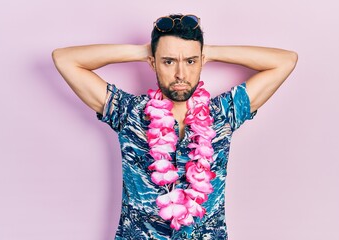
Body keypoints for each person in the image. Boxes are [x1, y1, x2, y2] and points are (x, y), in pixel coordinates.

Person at [52, 14, 297, 240]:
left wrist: (208, 51)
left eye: (190, 61)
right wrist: (144, 51)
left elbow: (285, 61)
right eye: (168, 61)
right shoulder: (128, 113)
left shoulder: (223, 114)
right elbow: (65, 59)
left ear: (201, 61)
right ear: (153, 63)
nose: (181, 73)